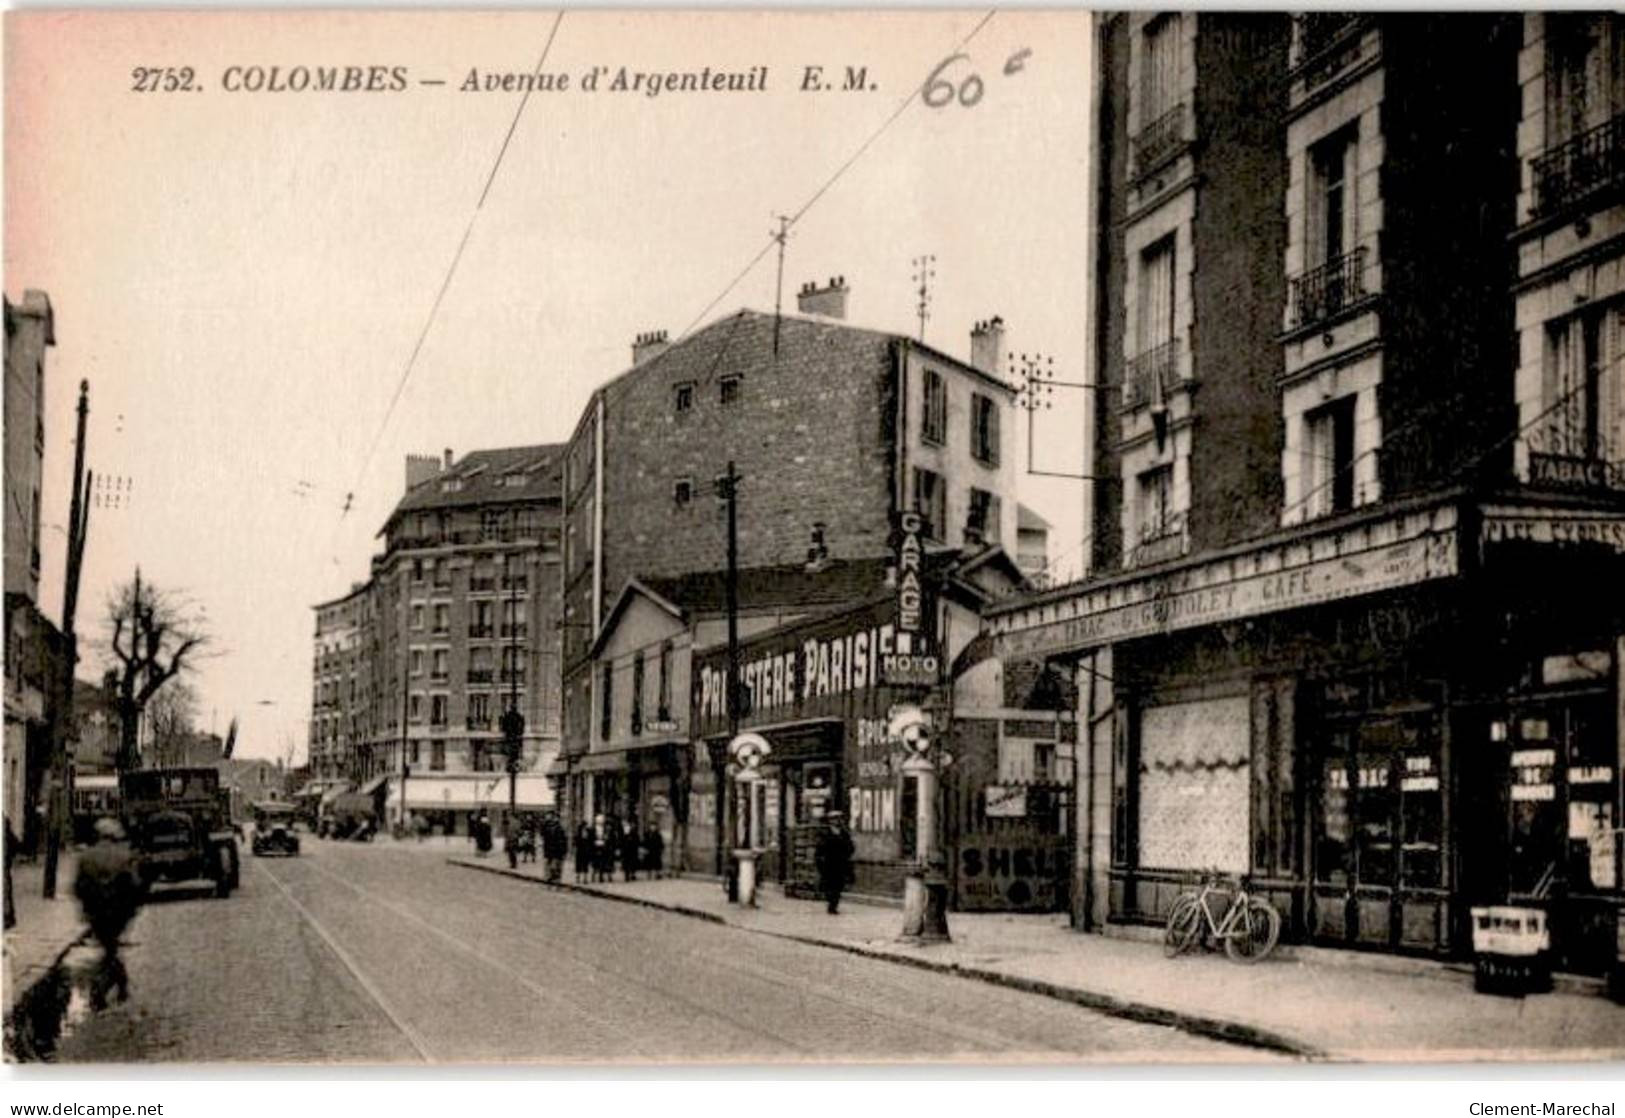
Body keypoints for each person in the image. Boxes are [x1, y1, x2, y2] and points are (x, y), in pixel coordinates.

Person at [73, 817, 141, 1009]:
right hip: (118, 912)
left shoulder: (86, 857)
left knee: (109, 948)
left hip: (97, 912)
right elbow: (133, 885)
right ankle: (103, 990)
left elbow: (79, 886)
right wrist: (132, 910)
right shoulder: (124, 856)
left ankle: (116, 989)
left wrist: (85, 909)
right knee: (111, 950)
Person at [814, 811, 855, 915]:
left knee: (838, 885)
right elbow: (819, 849)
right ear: (830, 821)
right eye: (834, 819)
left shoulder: (844, 833)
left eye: (839, 819)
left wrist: (847, 854)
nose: (837, 821)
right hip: (828, 864)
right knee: (829, 885)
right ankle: (831, 904)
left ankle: (834, 905)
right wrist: (820, 863)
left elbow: (850, 847)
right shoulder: (824, 833)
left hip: (841, 863)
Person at [541, 813, 568, 883]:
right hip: (552, 849)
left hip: (557, 850)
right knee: (552, 865)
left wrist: (564, 850)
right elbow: (545, 837)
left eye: (557, 818)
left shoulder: (561, 829)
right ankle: (551, 877)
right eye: (555, 818)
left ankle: (555, 878)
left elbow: (564, 840)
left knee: (556, 865)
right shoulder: (549, 827)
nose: (556, 820)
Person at [619, 817, 641, 882]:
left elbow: (637, 842)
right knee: (626, 864)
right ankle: (627, 875)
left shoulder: (634, 834)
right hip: (626, 851)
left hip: (632, 851)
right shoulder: (624, 834)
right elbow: (621, 842)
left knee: (632, 863)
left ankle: (632, 874)